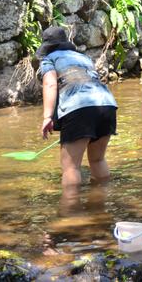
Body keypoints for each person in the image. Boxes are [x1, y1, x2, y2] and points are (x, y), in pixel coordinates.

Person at [37, 26, 118, 190]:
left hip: (79, 106)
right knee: (98, 160)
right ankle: (100, 205)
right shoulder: (83, 58)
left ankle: (70, 212)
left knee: (71, 167)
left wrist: (47, 117)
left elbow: (50, 84)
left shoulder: (49, 59)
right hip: (107, 104)